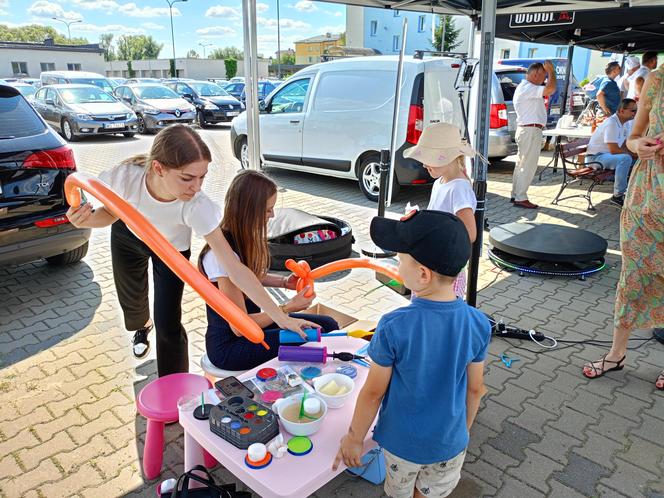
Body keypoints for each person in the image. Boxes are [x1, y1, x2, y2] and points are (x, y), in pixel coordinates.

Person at [66, 125, 315, 377]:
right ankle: (141, 325)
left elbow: (235, 267)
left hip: (171, 251)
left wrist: (281, 316)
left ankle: (173, 385)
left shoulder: (197, 206)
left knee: (168, 322)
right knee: (132, 302)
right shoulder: (126, 177)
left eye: (202, 177)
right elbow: (106, 214)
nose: (196, 187)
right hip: (129, 235)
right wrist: (84, 220)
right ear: (158, 168)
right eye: (187, 178)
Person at [333, 210, 491, 498]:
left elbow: (372, 393)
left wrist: (354, 439)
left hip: (402, 446)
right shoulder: (478, 322)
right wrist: (461, 432)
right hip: (450, 444)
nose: (396, 263)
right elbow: (476, 389)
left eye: (399, 258)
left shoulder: (394, 325)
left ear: (422, 274)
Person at [199, 170, 339, 370]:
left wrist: (283, 282)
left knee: (328, 325)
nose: (272, 215)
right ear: (248, 211)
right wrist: (287, 308)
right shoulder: (219, 255)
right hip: (232, 347)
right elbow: (240, 327)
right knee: (320, 335)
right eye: (267, 210)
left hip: (255, 328)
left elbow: (249, 276)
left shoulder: (236, 239)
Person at [583, 66, 664, 391]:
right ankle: (616, 355)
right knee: (633, 275)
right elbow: (632, 137)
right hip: (645, 194)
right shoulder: (657, 79)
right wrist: (638, 145)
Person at [403, 122, 481, 297]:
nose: (424, 165)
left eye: (428, 159)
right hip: (434, 257)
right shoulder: (441, 182)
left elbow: (470, 233)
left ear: (447, 157)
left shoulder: (459, 188)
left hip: (445, 265)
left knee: (439, 306)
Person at [511, 61, 558, 209]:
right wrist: (552, 72)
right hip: (530, 130)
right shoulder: (528, 87)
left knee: (522, 164)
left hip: (528, 129)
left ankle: (516, 194)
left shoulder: (526, 87)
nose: (544, 80)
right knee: (527, 165)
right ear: (536, 74)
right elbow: (550, 89)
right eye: (543, 76)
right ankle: (520, 197)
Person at [586, 98, 638, 207]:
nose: (635, 113)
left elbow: (624, 146)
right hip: (595, 158)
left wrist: (637, 154)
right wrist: (632, 155)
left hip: (606, 156)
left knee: (637, 159)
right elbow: (614, 150)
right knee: (625, 159)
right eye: (633, 110)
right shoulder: (612, 123)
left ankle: (634, 192)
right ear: (622, 111)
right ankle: (618, 196)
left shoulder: (626, 123)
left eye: (636, 110)